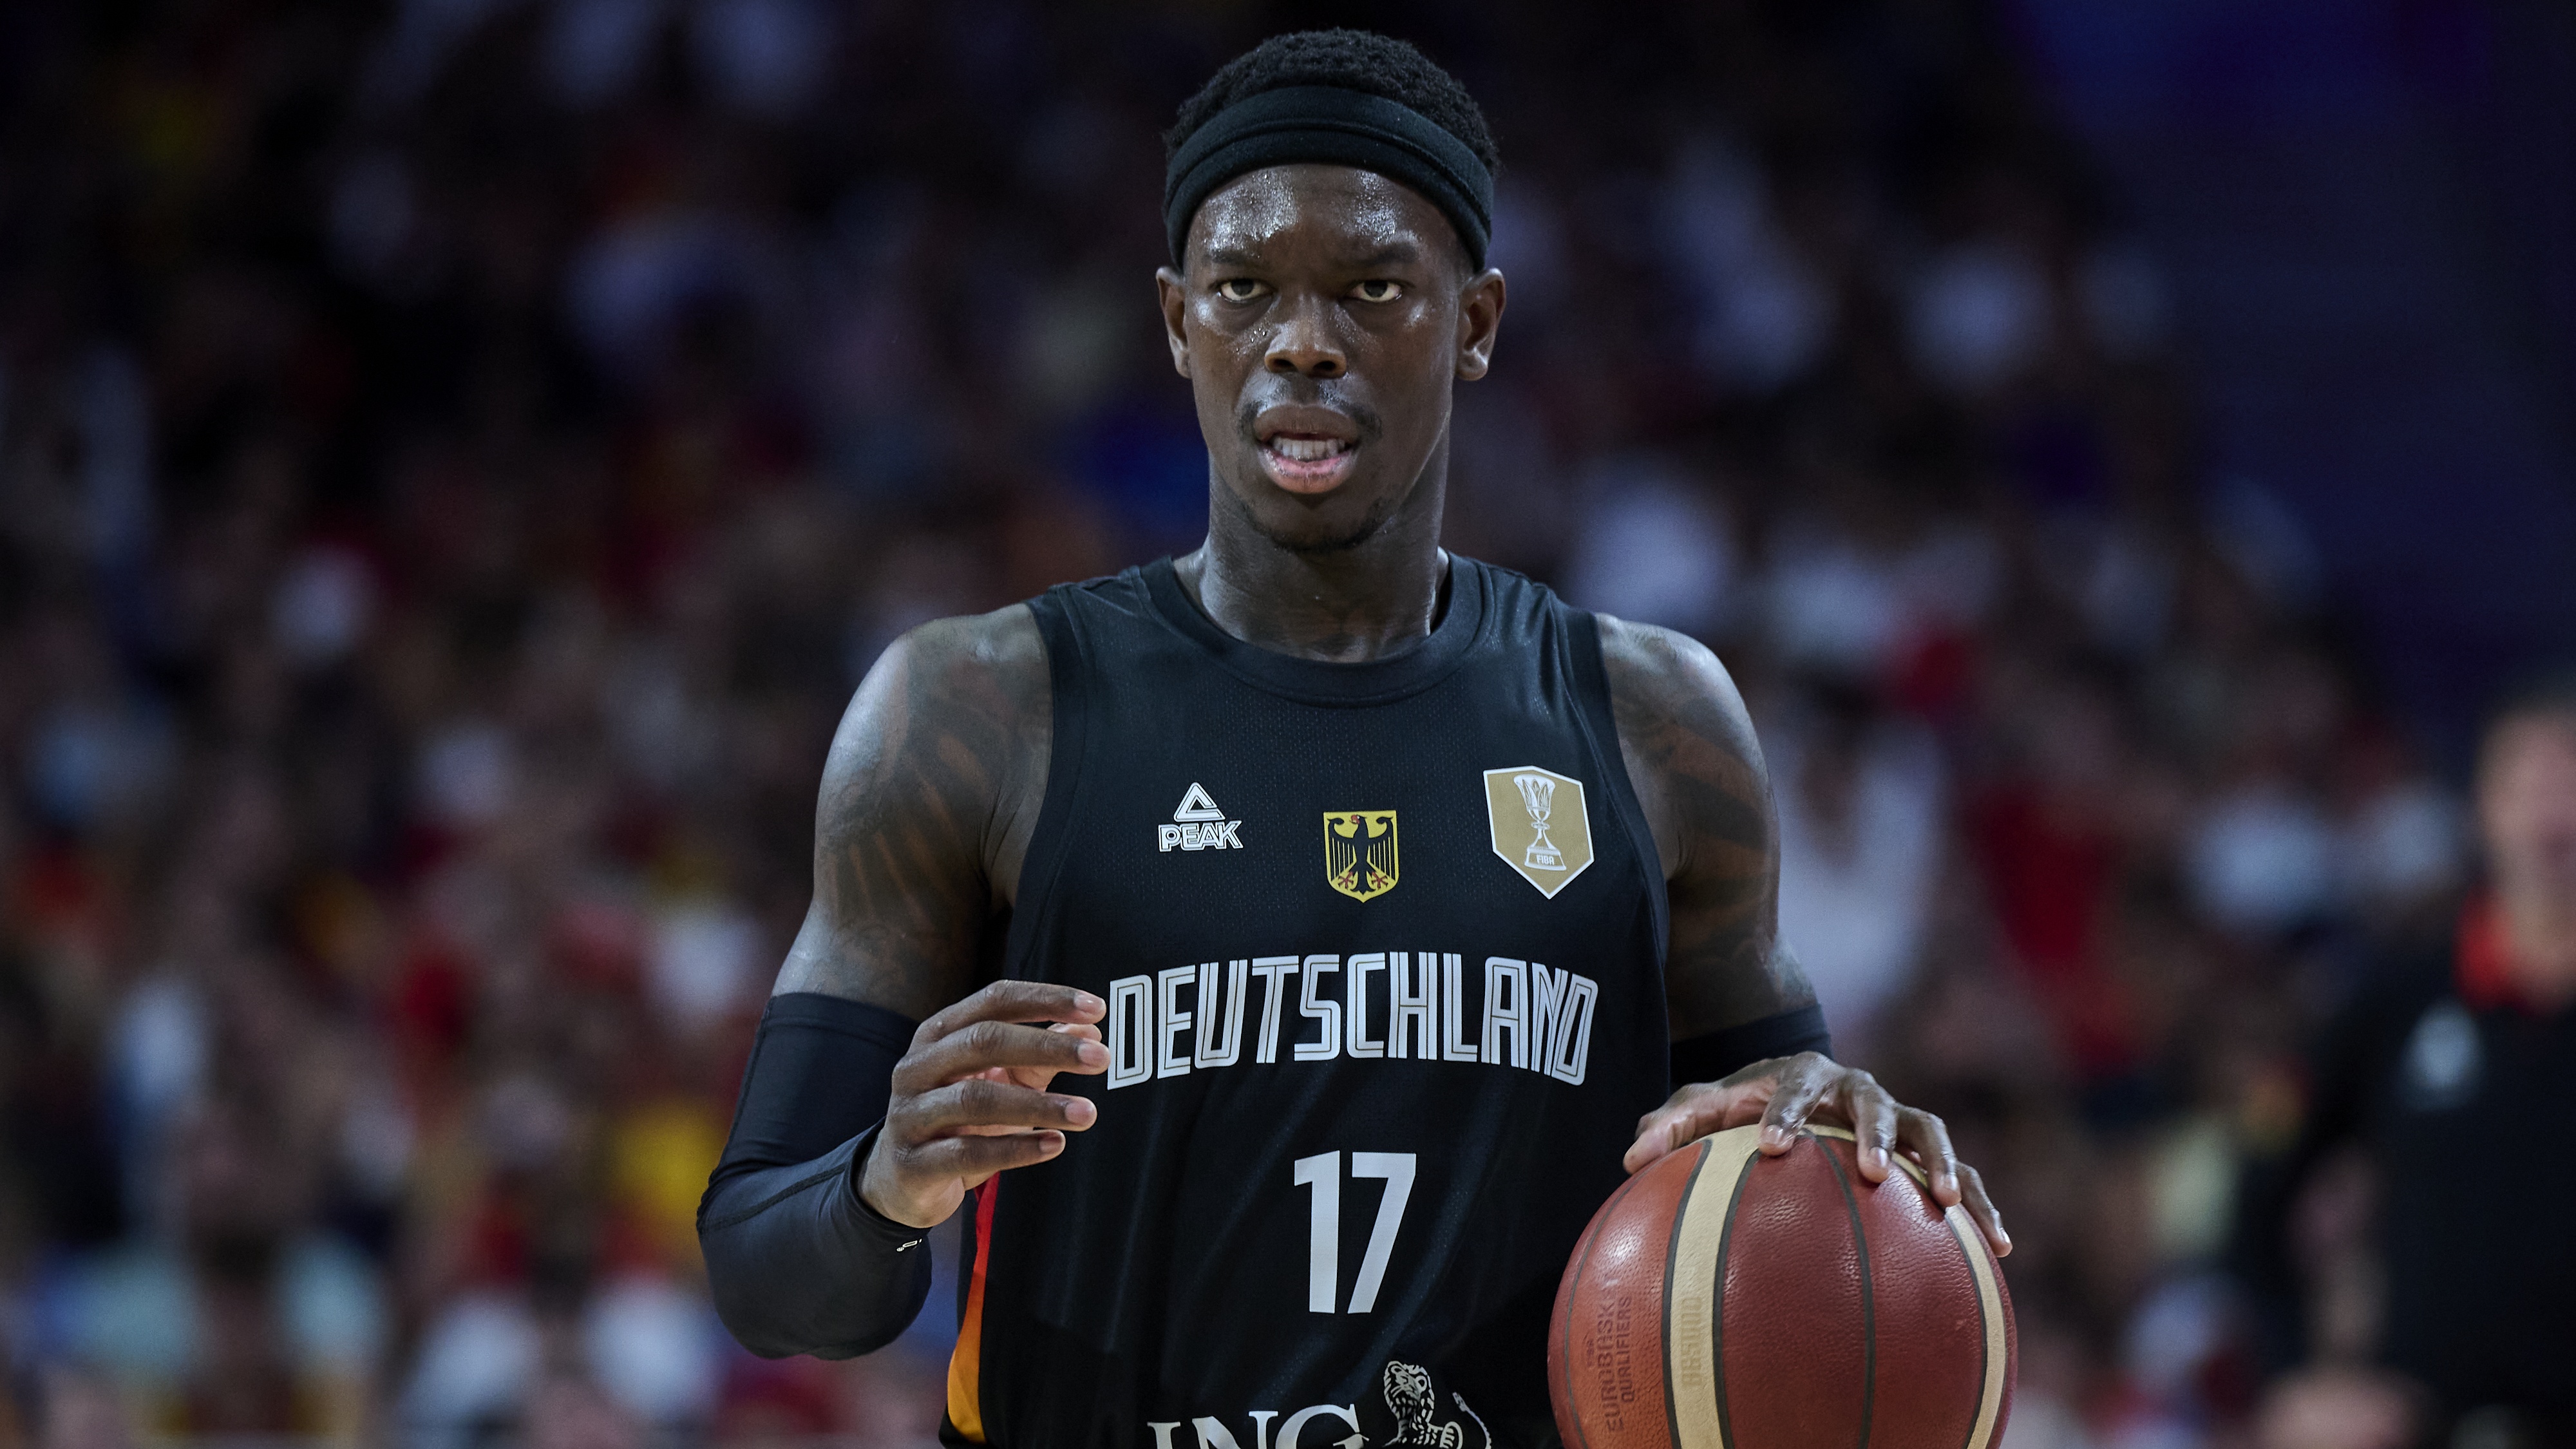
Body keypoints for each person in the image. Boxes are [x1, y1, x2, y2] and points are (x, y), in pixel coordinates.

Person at [697, 30, 2007, 1448]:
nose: (1301, 341)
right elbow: (769, 1276)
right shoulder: (972, 709)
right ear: (1176, 323)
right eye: (1242, 290)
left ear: (1477, 321)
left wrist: (1823, 1124)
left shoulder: (1655, 720)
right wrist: (885, 1186)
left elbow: (1776, 1179)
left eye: (1371, 288)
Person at [2234, 676, 2576, 1449]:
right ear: (2482, 808)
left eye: (2571, 779)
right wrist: (2293, 1372)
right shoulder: (2395, 1001)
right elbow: (2258, 1178)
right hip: (2431, 1425)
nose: (2551, 813)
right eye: (2527, 782)